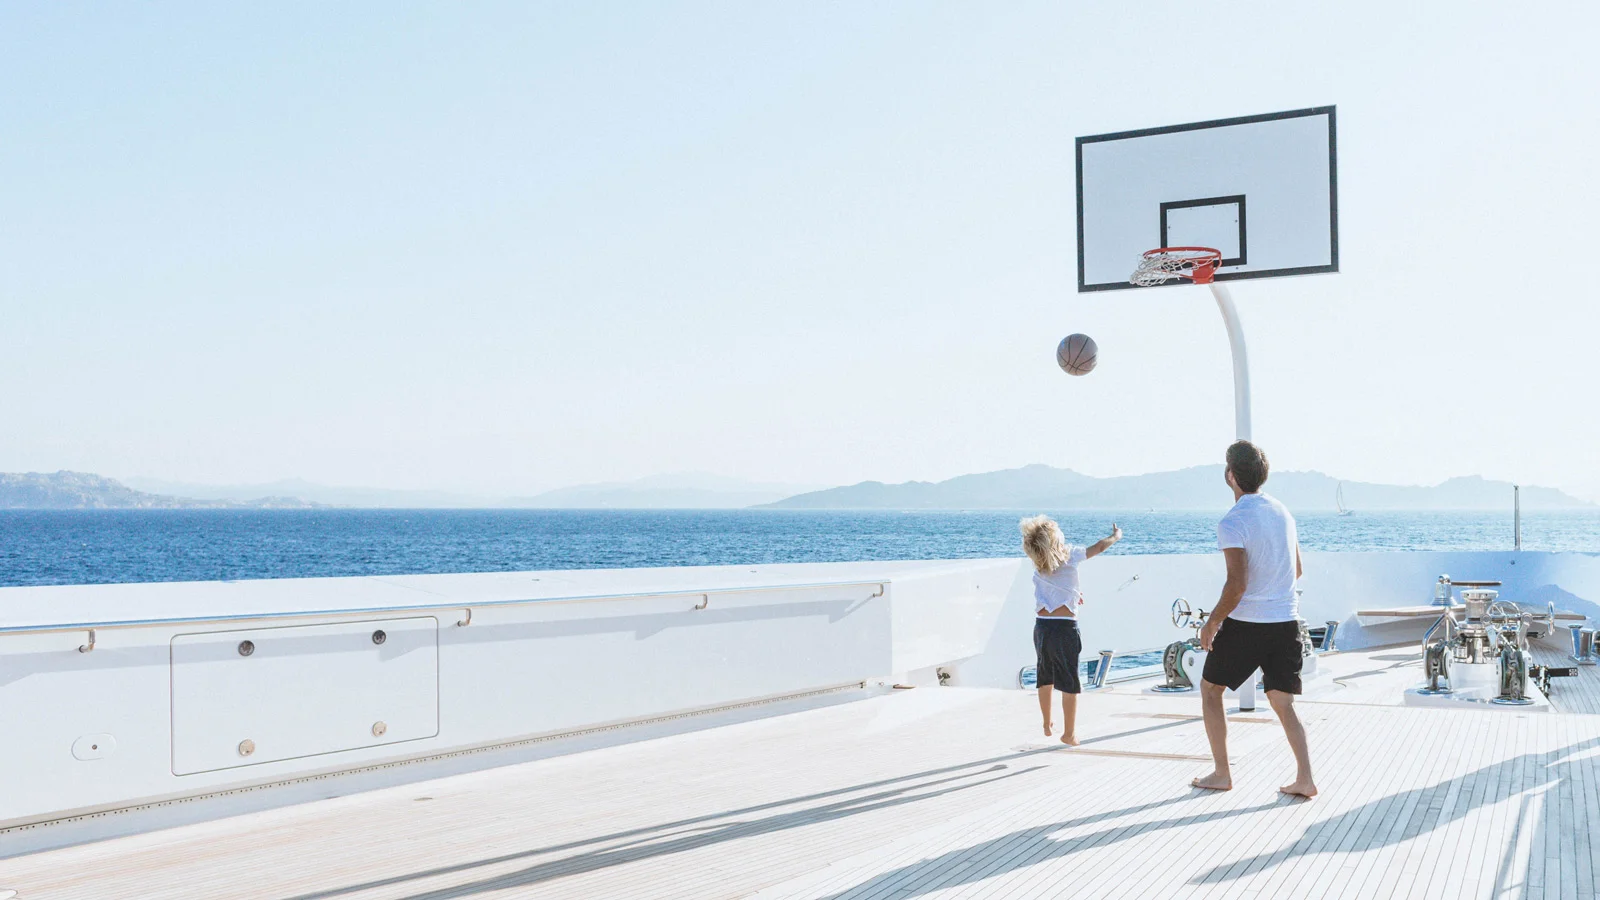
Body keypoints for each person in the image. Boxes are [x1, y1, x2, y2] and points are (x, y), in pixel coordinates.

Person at [1191, 440, 1317, 798]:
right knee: (1282, 701)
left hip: (1248, 626)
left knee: (1210, 691)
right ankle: (1305, 779)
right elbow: (1297, 569)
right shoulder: (1282, 512)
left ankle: (1221, 773)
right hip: (1286, 622)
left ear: (1231, 476)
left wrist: (1212, 622)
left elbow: (1236, 585)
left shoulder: (1233, 521)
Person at [1020, 515, 1122, 745]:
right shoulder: (1069, 554)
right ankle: (1069, 733)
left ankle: (1047, 723)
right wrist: (1115, 536)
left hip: (1042, 626)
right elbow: (1098, 547)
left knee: (1044, 675)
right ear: (1056, 539)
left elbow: (1057, 588)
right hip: (1065, 627)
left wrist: (1074, 597)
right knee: (1069, 681)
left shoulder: (1038, 560)